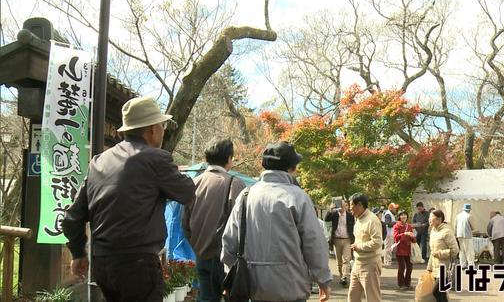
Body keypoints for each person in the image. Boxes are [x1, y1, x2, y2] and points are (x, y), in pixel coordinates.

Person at [62, 96, 196, 301]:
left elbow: (73, 216)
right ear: (152, 129)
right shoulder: (154, 159)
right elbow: (187, 191)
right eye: (162, 125)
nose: (163, 130)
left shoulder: (99, 162)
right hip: (138, 265)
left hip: (102, 264)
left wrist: (78, 252)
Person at [221, 141, 331, 302]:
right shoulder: (298, 197)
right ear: (292, 168)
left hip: (253, 287)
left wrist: (231, 274)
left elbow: (229, 242)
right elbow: (314, 243)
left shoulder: (246, 195)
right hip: (291, 288)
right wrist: (323, 280)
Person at [182, 138, 246, 302]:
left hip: (201, 254)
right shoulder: (234, 184)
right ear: (229, 159)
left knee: (206, 298)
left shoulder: (195, 183)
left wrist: (197, 246)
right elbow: (242, 224)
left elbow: (185, 224)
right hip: (227, 259)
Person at [348, 193, 383, 302]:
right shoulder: (358, 219)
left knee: (372, 298)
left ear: (359, 205)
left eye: (351, 206)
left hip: (370, 264)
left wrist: (359, 246)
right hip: (357, 263)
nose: (350, 209)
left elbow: (377, 242)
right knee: (353, 296)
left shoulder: (372, 220)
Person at [427, 210, 459, 302]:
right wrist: (429, 268)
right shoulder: (433, 230)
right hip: (435, 267)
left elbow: (455, 250)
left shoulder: (447, 231)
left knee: (436, 292)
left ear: (439, 219)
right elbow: (432, 252)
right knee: (441, 293)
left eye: (431, 217)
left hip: (444, 268)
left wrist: (439, 253)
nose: (429, 219)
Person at [324, 200, 355, 286]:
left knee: (346, 259)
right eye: (339, 206)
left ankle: (345, 276)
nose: (341, 207)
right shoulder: (334, 214)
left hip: (347, 239)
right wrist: (330, 209)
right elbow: (326, 219)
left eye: (343, 205)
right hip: (337, 239)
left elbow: (353, 226)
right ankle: (341, 276)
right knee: (339, 261)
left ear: (346, 206)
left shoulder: (349, 216)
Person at [393, 210, 416, 290]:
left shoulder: (409, 226)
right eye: (402, 215)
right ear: (399, 216)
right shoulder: (397, 226)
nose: (403, 216)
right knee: (402, 267)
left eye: (405, 215)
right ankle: (401, 284)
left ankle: (407, 283)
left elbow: (413, 239)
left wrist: (412, 237)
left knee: (410, 267)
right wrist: (404, 234)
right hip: (399, 249)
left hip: (408, 249)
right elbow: (395, 237)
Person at [454, 203, 475, 268]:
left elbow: (455, 226)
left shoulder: (458, 216)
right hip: (467, 235)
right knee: (469, 251)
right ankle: (471, 265)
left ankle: (462, 264)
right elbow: (473, 227)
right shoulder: (469, 216)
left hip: (459, 235)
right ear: (469, 210)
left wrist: (455, 234)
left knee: (462, 250)